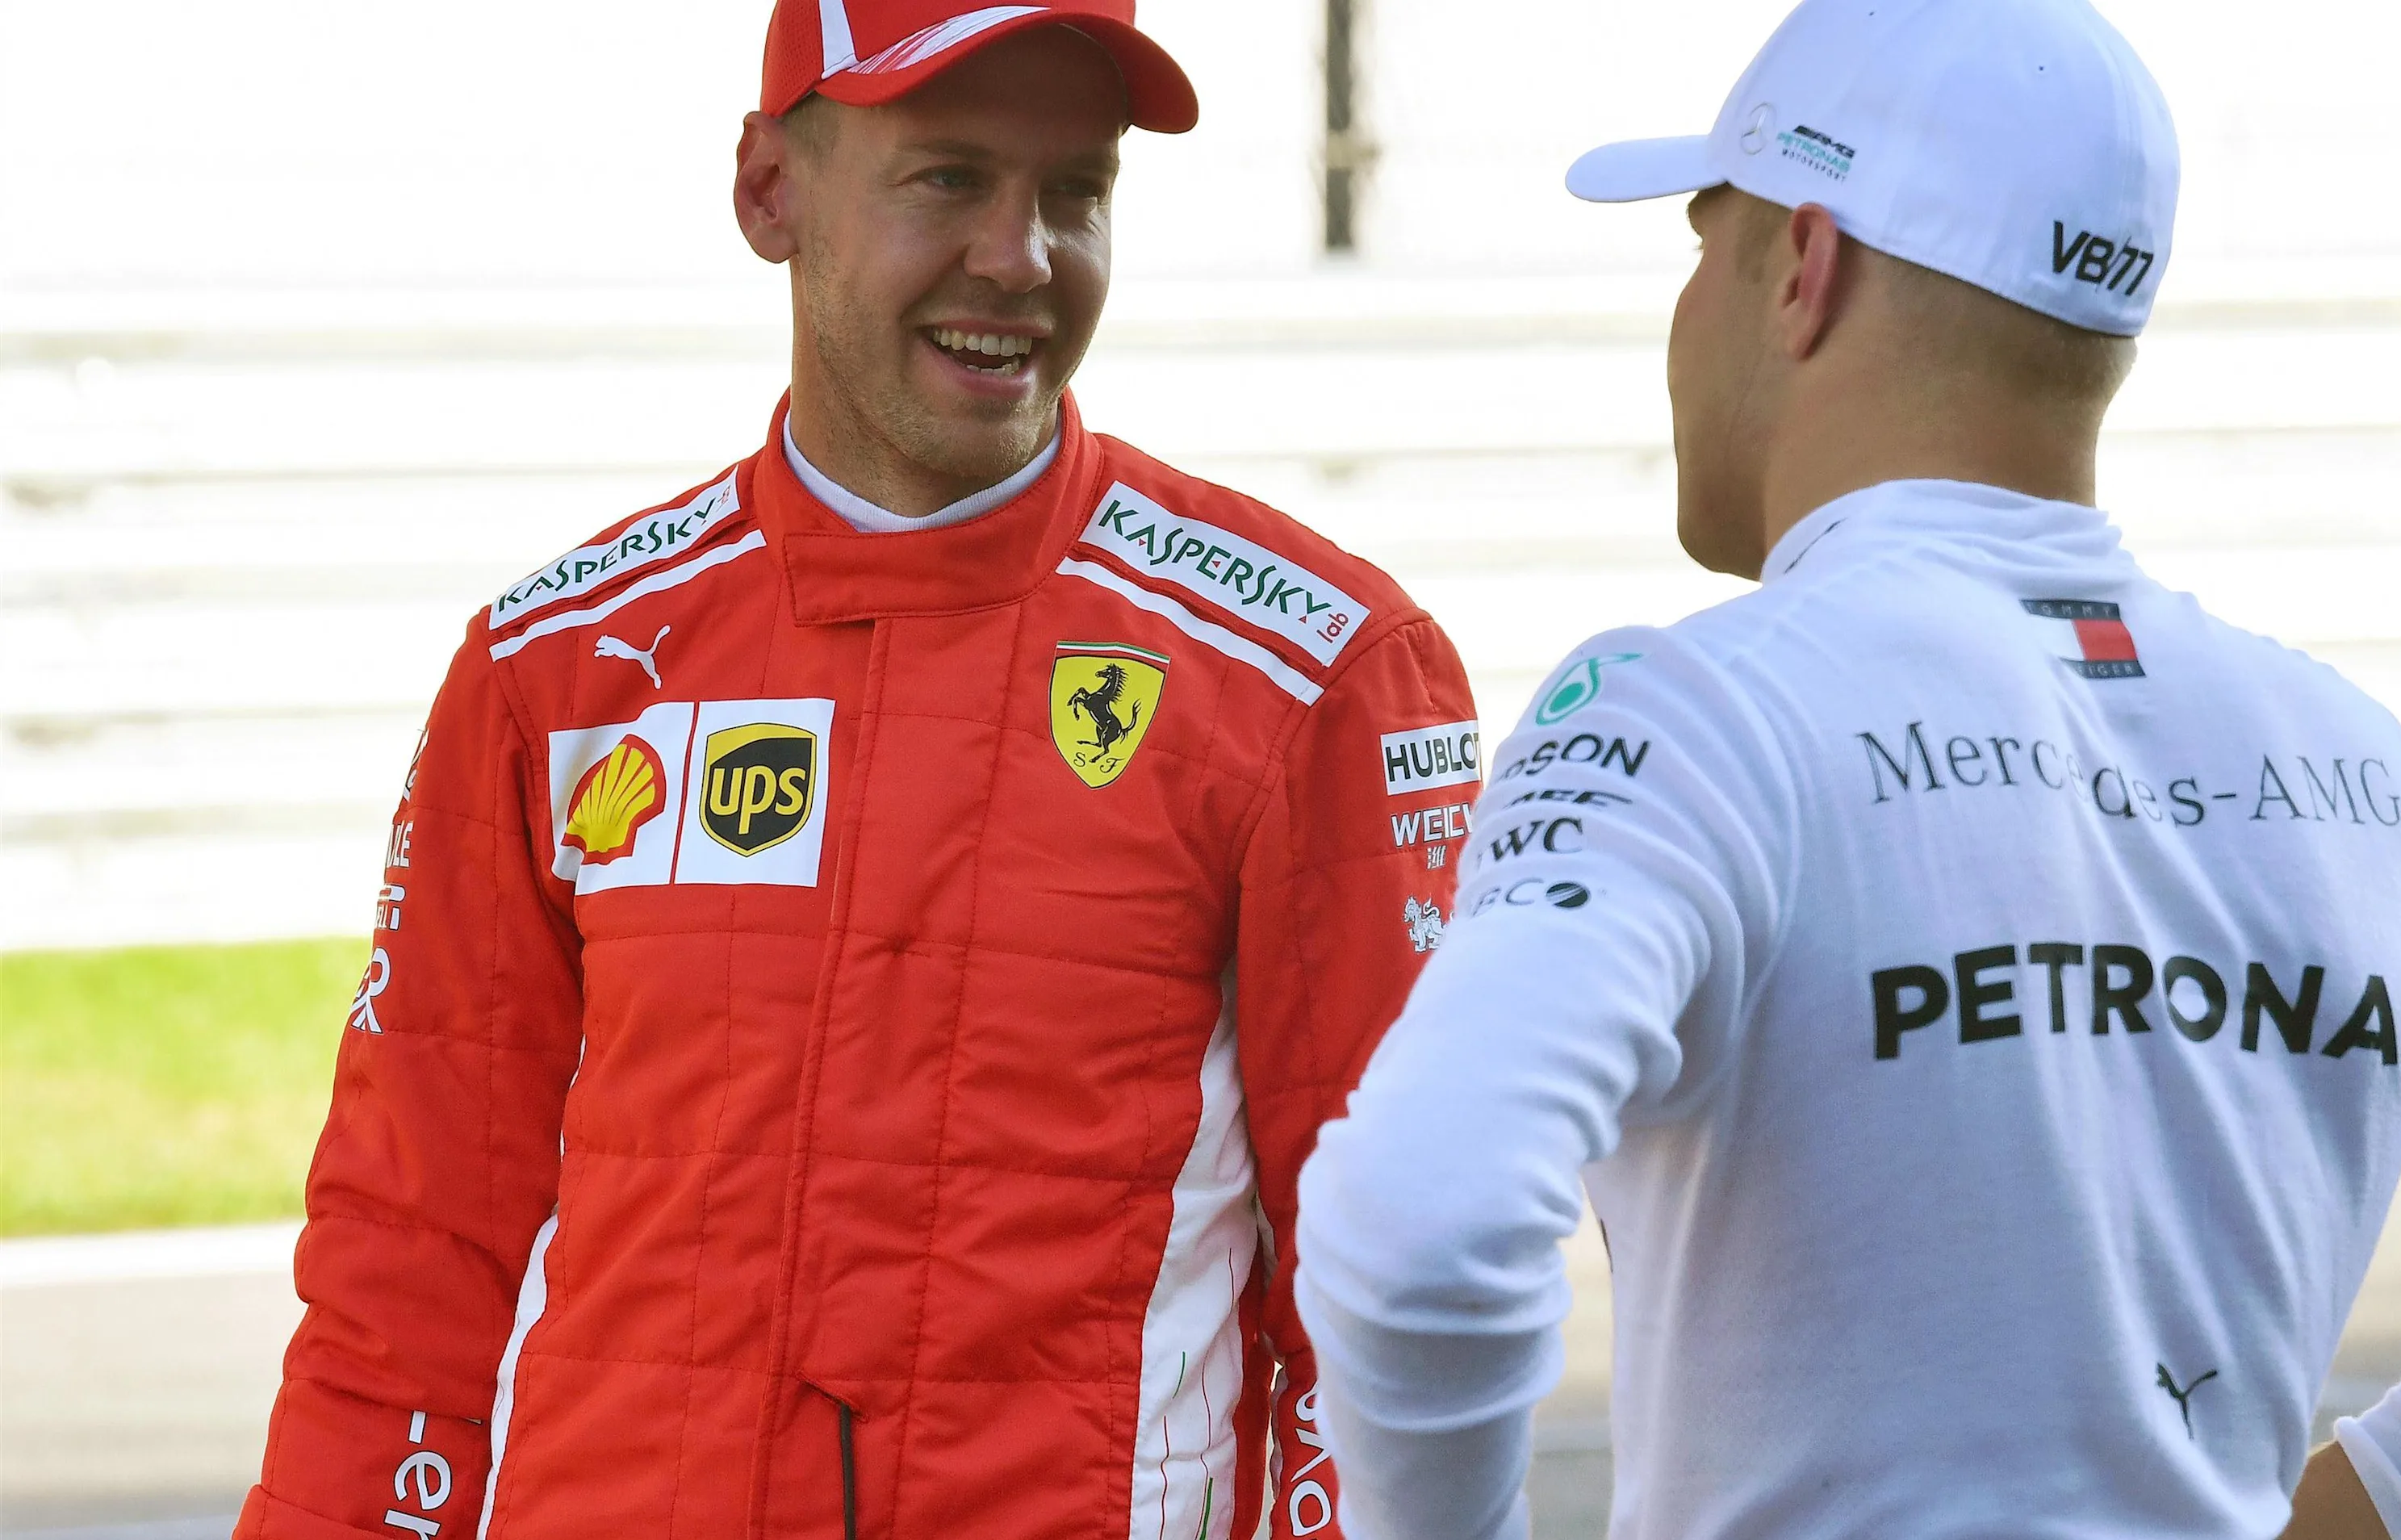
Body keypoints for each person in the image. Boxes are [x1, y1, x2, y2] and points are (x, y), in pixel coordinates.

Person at [1291, 1, 2401, 1537]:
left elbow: (1423, 1228)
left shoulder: (1690, 719)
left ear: (1801, 267)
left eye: (1704, 244)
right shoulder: (2371, 776)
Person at [236, 4, 1479, 1536]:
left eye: (1075, 192)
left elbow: (1386, 1299)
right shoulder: (551, 674)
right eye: (948, 179)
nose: (1021, 258)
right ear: (772, 192)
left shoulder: (1311, 675)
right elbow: (406, 1264)